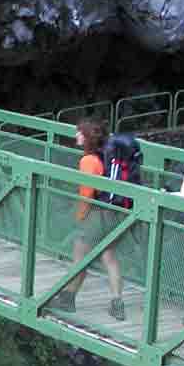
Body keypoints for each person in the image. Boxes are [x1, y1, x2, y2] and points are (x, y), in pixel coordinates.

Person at [52, 117, 125, 320]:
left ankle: (67, 299)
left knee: (80, 257)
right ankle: (117, 301)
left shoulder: (88, 160)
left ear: (87, 138)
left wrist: (81, 216)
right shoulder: (108, 157)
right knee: (109, 256)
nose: (76, 135)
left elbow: (86, 193)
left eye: (79, 133)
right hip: (115, 213)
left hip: (97, 214)